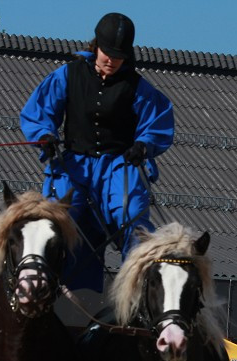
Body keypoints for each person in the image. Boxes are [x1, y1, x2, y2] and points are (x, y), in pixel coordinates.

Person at [20, 12, 174, 291]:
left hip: (118, 166)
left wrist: (144, 144)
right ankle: (41, 283)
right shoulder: (68, 75)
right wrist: (45, 136)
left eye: (118, 56)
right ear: (96, 46)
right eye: (107, 54)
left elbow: (157, 122)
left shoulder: (138, 88)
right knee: (53, 215)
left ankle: (136, 289)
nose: (111, 61)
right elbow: (39, 112)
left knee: (132, 212)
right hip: (74, 165)